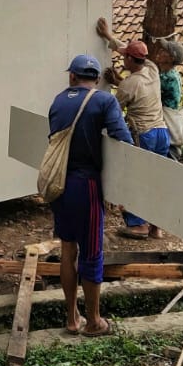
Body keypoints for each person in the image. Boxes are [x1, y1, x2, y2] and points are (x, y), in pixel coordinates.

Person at [48, 54, 134, 336]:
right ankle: (94, 321)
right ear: (96, 79)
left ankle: (72, 319)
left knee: (68, 249)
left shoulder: (58, 100)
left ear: (72, 76)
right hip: (87, 186)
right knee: (92, 253)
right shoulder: (104, 100)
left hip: (60, 185)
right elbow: (125, 141)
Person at [96, 17, 170, 239]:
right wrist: (108, 37)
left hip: (144, 134)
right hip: (162, 132)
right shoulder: (152, 69)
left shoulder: (128, 84)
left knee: (136, 179)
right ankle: (157, 226)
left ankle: (138, 224)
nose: (122, 58)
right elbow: (124, 52)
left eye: (125, 56)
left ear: (130, 59)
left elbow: (114, 109)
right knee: (155, 179)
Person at [150, 37, 183, 159]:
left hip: (166, 127)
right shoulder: (167, 74)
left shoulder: (168, 77)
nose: (159, 52)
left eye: (164, 51)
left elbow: (143, 88)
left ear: (171, 58)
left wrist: (118, 81)